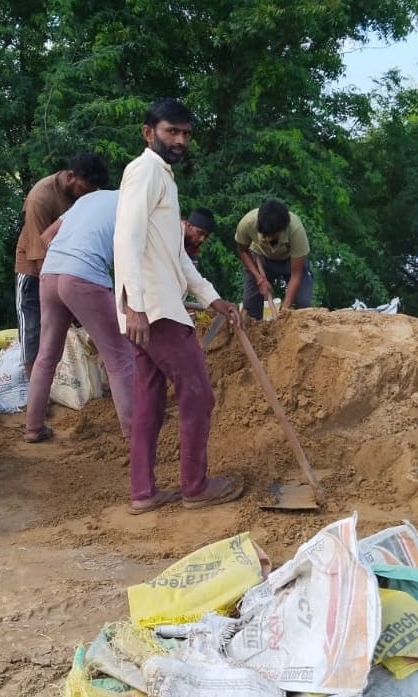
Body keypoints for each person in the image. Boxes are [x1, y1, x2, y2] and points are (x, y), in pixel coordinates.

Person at [113, 98, 244, 514]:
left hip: (153, 308)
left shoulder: (164, 179)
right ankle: (195, 486)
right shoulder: (145, 171)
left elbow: (178, 256)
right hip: (155, 311)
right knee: (198, 395)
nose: (180, 140)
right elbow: (126, 239)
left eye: (186, 133)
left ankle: (143, 493)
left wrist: (212, 298)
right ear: (148, 132)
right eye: (172, 131)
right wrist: (134, 305)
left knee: (150, 401)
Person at [22, 189, 135, 443]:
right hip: (84, 276)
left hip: (51, 273)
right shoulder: (135, 202)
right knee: (120, 356)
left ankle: (33, 428)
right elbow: (132, 257)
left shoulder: (88, 199)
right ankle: (134, 432)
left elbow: (47, 235)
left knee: (46, 356)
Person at [14, 152, 109, 382]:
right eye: (84, 190)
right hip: (35, 271)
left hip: (73, 269)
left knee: (97, 322)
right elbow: (38, 253)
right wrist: (58, 293)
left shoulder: (86, 195)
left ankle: (101, 380)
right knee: (34, 330)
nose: (86, 196)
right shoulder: (40, 199)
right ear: (70, 176)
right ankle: (36, 390)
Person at [234, 198, 312, 319]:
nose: (268, 240)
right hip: (260, 257)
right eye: (265, 235)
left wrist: (283, 313)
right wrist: (259, 278)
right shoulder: (247, 223)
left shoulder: (296, 229)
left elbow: (296, 275)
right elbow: (243, 251)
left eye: (272, 235)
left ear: (283, 229)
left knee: (304, 303)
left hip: (290, 260)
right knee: (251, 306)